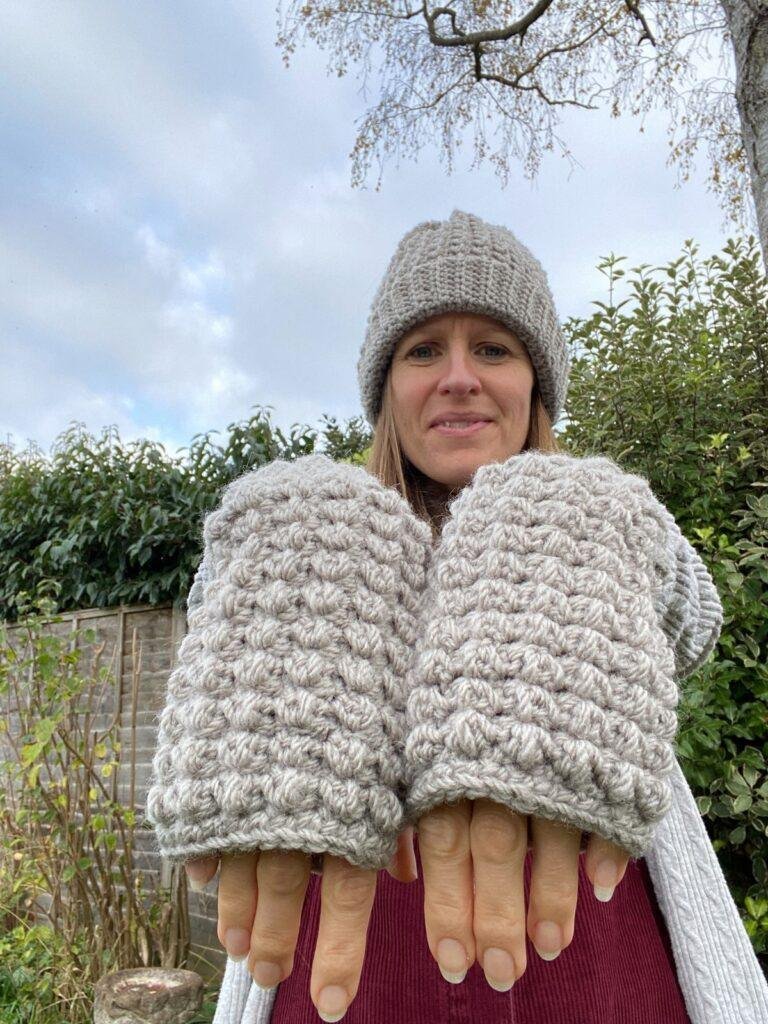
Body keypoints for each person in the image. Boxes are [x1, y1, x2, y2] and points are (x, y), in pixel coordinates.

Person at [147, 210, 768, 1024]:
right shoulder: (323, 538)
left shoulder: (600, 522)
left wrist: (583, 532)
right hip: (357, 965)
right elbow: (213, 629)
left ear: (535, 384)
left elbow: (695, 621)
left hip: (596, 958)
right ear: (386, 391)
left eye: (494, 348)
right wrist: (282, 573)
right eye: (424, 349)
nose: (459, 376)